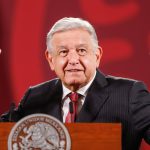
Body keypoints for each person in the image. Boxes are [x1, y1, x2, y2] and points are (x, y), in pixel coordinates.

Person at [0, 17, 150, 150]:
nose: (73, 60)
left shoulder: (130, 94)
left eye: (82, 50)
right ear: (51, 59)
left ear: (97, 56)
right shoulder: (35, 96)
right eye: (63, 52)